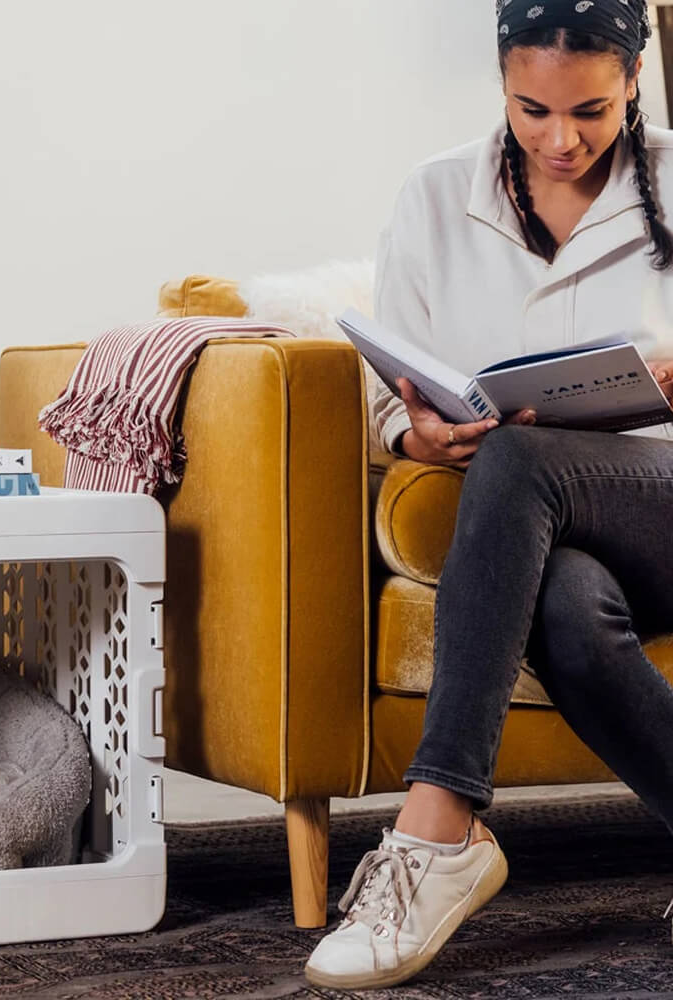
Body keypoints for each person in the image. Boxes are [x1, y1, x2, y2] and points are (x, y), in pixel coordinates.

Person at [304, 1, 673, 991]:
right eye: (532, 108)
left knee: (519, 462)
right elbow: (402, 393)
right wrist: (416, 431)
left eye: (592, 110)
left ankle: (440, 829)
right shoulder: (430, 198)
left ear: (634, 81)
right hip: (543, 527)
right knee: (560, 598)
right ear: (501, 87)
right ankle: (444, 842)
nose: (562, 139)